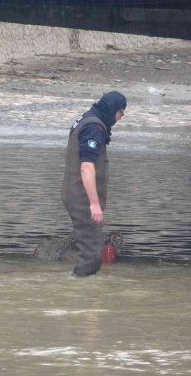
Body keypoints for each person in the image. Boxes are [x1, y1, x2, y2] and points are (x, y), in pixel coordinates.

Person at [61, 91, 126, 277]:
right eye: (121, 112)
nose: (121, 117)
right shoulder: (94, 128)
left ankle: (78, 288)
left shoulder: (86, 118)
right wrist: (94, 204)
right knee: (91, 256)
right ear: (114, 109)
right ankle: (81, 297)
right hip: (82, 197)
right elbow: (86, 167)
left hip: (74, 193)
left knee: (90, 251)